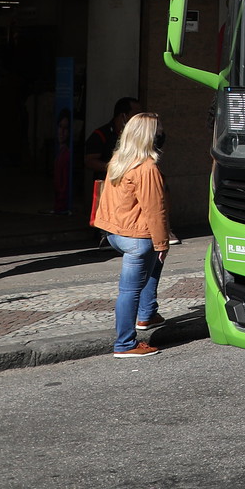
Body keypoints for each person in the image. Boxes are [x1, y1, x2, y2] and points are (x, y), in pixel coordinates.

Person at [89, 112, 169, 357]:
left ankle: (147, 315)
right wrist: (162, 242)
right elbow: (155, 209)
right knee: (130, 290)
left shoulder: (119, 160)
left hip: (115, 233)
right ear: (150, 136)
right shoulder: (147, 168)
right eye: (159, 130)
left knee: (150, 267)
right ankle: (125, 344)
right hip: (136, 236)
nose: (162, 134)